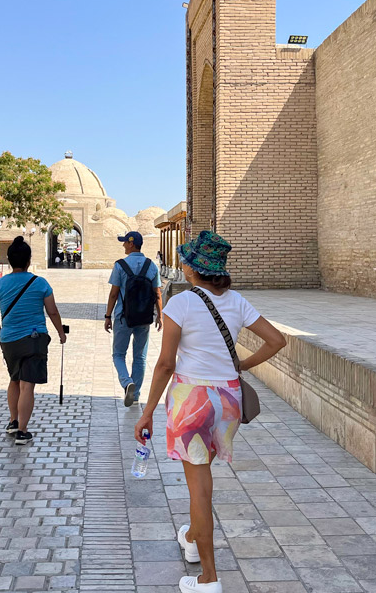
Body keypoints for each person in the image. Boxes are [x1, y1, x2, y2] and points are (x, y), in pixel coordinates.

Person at [134, 231, 286, 593]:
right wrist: (243, 365)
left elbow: (166, 365)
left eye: (186, 260)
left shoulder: (180, 304)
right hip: (228, 401)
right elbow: (277, 340)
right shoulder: (236, 301)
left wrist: (147, 410)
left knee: (199, 489)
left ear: (192, 268)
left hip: (192, 400)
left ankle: (208, 578)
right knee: (201, 477)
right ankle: (190, 537)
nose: (182, 264)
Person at [0, 236, 67, 445]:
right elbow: (53, 311)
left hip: (9, 340)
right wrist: (60, 333)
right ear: (29, 260)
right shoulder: (40, 283)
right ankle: (23, 431)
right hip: (34, 339)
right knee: (27, 385)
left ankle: (13, 421)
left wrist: (0, 335)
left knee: (14, 380)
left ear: (10, 260)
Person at [105, 231, 162, 406]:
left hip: (123, 318)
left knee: (118, 354)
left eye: (124, 243)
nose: (123, 245)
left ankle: (126, 382)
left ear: (131, 244)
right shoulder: (151, 266)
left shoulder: (120, 265)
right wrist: (159, 315)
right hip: (144, 319)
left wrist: (108, 316)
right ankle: (135, 394)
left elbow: (114, 294)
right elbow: (157, 294)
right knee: (140, 357)